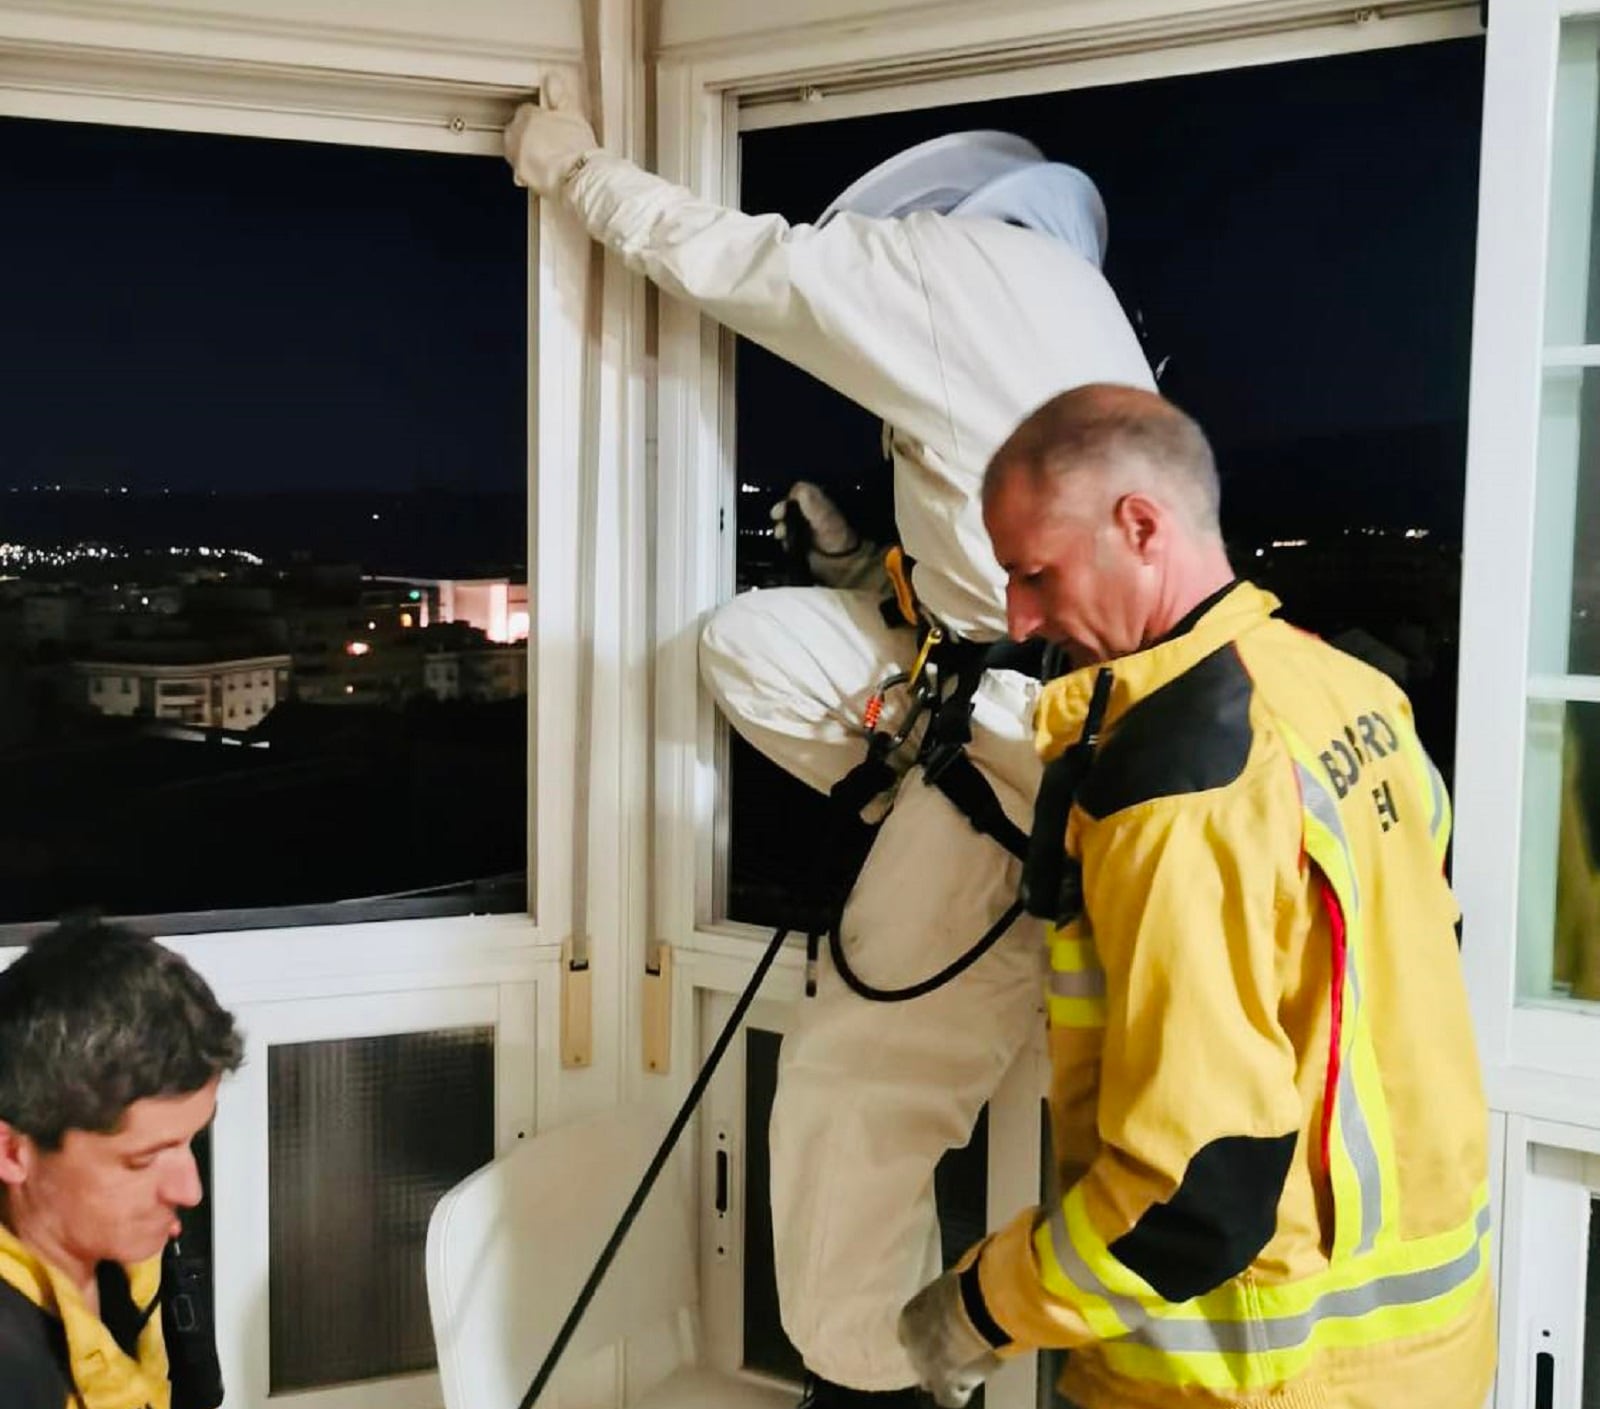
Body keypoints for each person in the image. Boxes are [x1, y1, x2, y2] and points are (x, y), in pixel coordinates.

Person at [504, 93, 1154, 1405]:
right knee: (752, 643)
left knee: (853, 1084)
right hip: (1057, 718)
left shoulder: (951, 269)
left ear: (924, 229)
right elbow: (990, 571)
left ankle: (877, 1381)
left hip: (1024, 752)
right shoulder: (1080, 321)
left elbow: (751, 266)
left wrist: (579, 174)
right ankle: (942, 812)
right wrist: (864, 571)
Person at [897, 384, 1496, 1409]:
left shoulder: (1175, 789)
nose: (1020, 618)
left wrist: (976, 1308)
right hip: (1432, 1344)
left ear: (1140, 525)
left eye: (1034, 573)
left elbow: (1192, 1192)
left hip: (1247, 1370)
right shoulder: (1349, 691)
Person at [0, 917, 244, 1409]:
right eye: (144, 1159)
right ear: (12, 1152)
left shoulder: (133, 1243)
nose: (188, 1189)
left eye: (191, 1140)